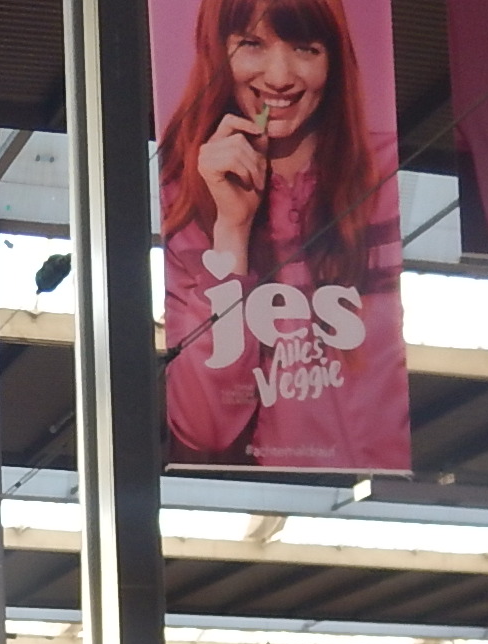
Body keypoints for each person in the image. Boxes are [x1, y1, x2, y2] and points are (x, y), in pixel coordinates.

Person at [156, 0, 408, 470]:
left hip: (382, 496)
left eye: (305, 49)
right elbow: (204, 427)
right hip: (267, 503)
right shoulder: (184, 192)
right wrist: (231, 230)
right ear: (218, 50)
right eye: (252, 44)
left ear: (334, 60)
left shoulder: (389, 175)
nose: (279, 76)